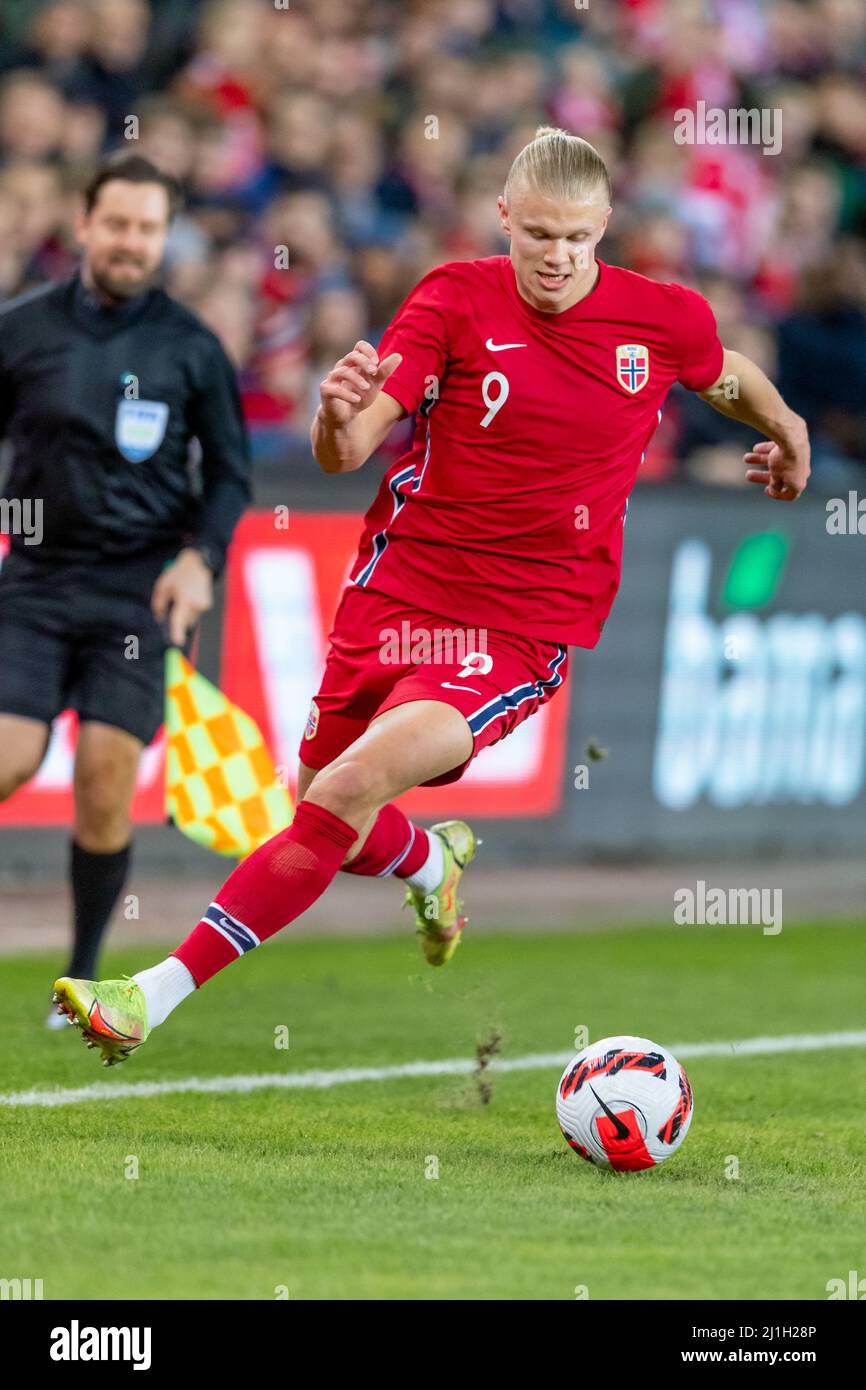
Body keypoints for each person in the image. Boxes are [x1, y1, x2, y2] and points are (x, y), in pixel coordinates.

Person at [51, 127, 810, 1066]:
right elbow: (354, 444)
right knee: (321, 808)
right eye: (538, 234)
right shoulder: (455, 298)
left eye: (578, 237)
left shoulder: (661, 318)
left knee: (347, 787)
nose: (559, 256)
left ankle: (147, 996)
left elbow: (724, 372)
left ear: (607, 225)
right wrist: (334, 415)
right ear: (504, 218)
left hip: (521, 627)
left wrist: (785, 424)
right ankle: (428, 861)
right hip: (398, 591)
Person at [0, 152, 251, 1024]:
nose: (130, 242)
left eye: (147, 228)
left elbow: (229, 474)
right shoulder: (22, 329)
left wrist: (201, 559)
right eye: (117, 224)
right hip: (32, 580)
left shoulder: (192, 347)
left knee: (106, 780)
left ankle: (78, 976)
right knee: (9, 758)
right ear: (84, 225)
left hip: (138, 593)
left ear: (163, 237)